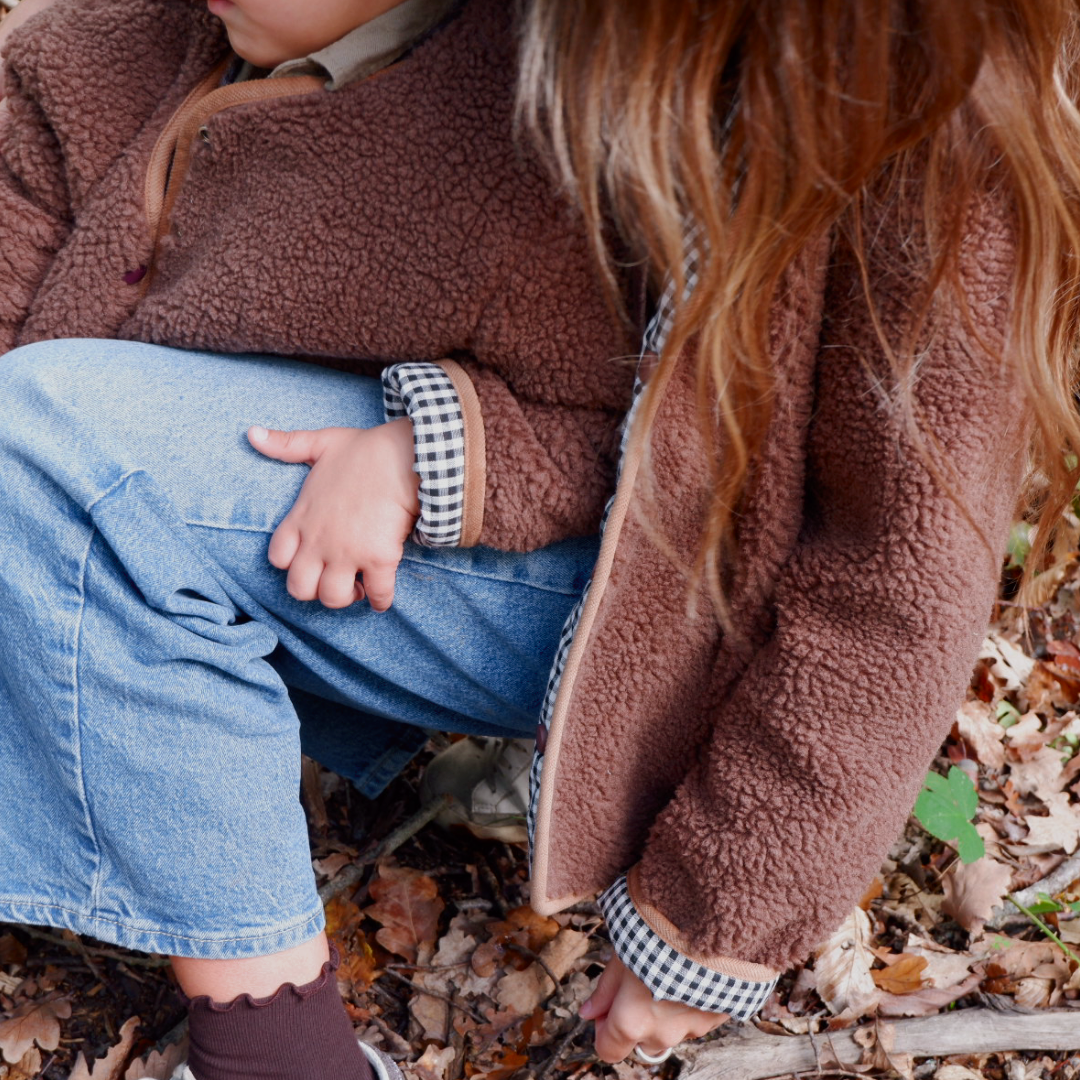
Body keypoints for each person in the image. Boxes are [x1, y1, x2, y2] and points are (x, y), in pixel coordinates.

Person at [2, 0, 1079, 1076]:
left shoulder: (920, 117)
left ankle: (283, 1060)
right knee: (60, 457)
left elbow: (898, 578)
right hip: (369, 515)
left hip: (656, 609)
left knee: (64, 451)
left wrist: (710, 918)